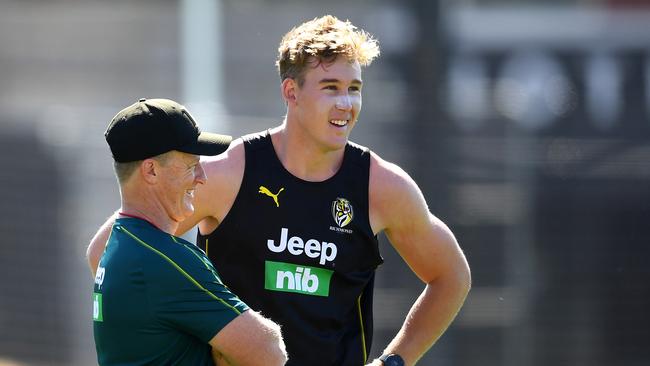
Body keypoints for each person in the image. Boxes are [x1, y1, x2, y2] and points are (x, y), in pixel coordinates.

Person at [88, 16, 471, 366]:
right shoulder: (232, 172)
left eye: (354, 88)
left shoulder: (381, 186)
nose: (346, 103)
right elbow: (113, 255)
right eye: (330, 87)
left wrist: (395, 361)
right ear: (291, 91)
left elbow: (451, 276)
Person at [92, 98, 287, 366]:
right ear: (150, 170)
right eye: (190, 165)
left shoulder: (118, 242)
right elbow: (270, 351)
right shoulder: (164, 259)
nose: (202, 177)